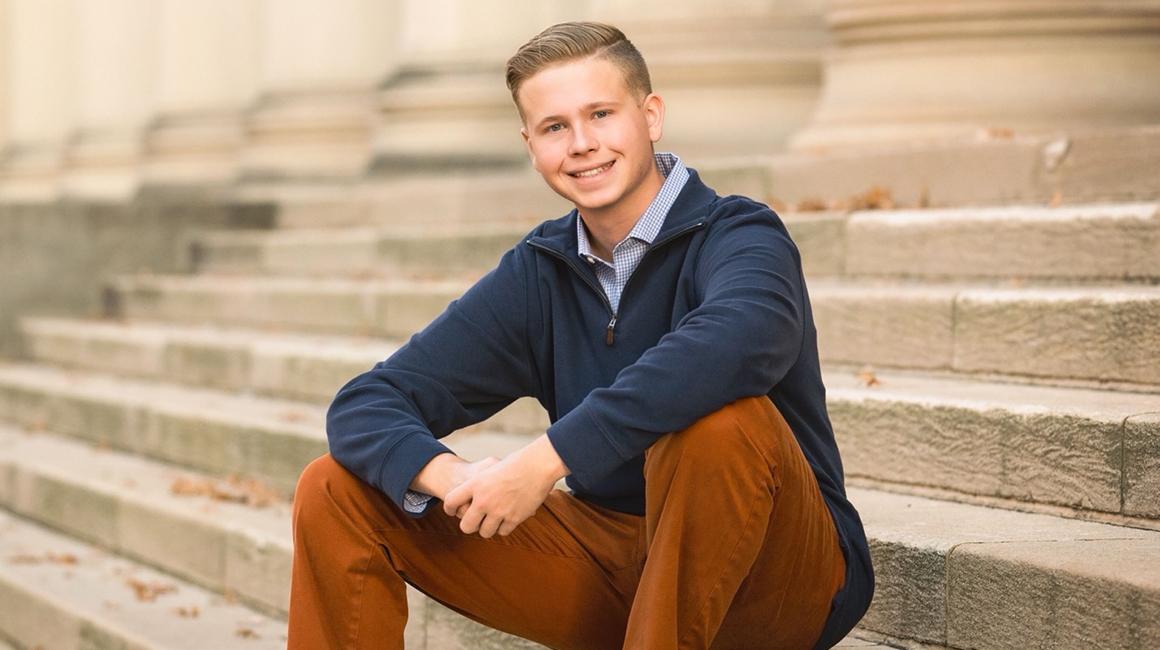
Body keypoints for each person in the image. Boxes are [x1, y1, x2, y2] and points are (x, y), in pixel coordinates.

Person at [287, 21, 873, 650]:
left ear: (650, 116)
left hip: (776, 571)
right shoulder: (541, 271)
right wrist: (450, 477)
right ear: (530, 144)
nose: (583, 144)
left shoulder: (737, 234)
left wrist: (544, 461)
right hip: (615, 566)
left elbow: (741, 340)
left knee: (719, 423)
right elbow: (366, 403)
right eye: (555, 127)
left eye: (601, 113)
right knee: (333, 489)